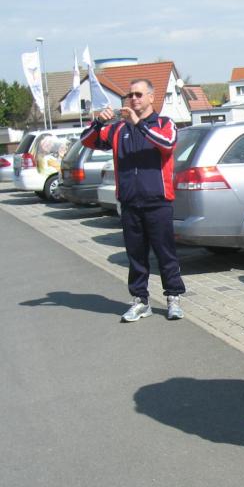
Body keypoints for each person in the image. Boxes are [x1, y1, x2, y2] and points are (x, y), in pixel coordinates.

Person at [81, 79, 186, 322]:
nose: (134, 99)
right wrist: (99, 122)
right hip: (130, 202)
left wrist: (138, 123)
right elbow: (86, 140)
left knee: (165, 253)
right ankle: (140, 301)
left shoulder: (164, 123)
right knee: (136, 256)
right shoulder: (118, 129)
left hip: (158, 201)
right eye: (131, 95)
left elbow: (167, 144)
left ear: (151, 97)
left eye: (139, 94)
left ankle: (173, 297)